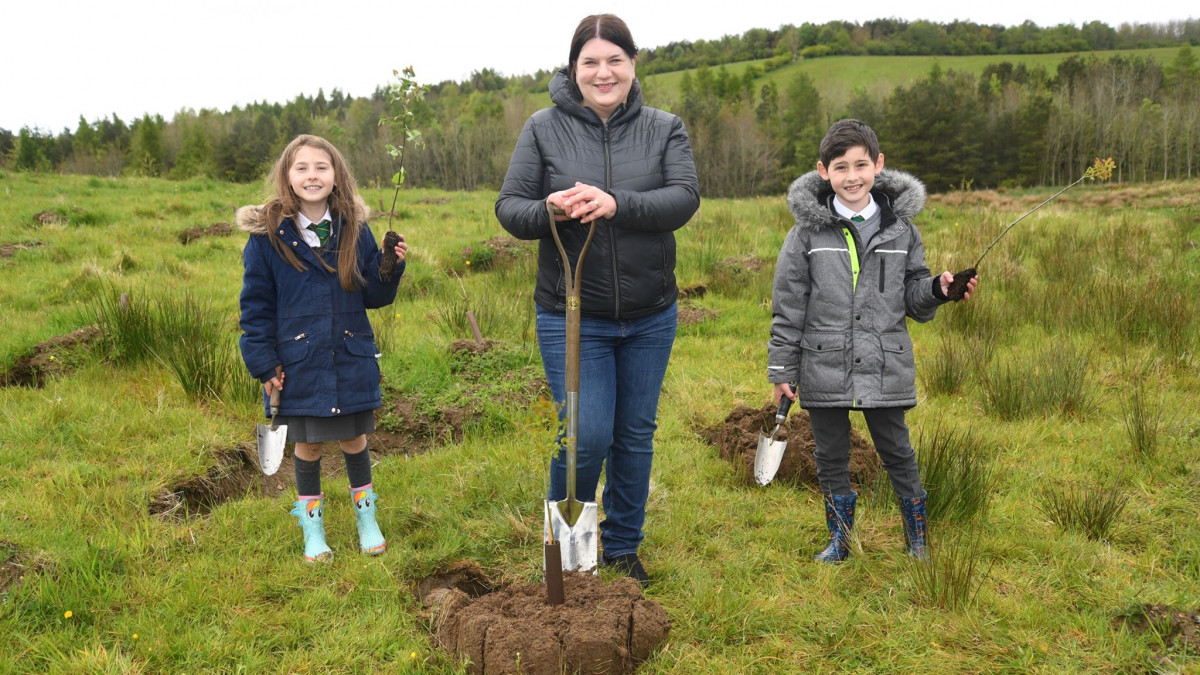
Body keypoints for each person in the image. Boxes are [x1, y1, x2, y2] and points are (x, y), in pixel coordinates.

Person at [495, 14, 700, 586]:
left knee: (634, 434)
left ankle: (622, 548)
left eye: (615, 60)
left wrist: (616, 203)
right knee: (584, 437)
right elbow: (510, 209)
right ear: (574, 68)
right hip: (570, 314)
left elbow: (683, 199)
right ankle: (570, 548)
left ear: (634, 65)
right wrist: (550, 210)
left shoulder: (665, 128)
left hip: (650, 312)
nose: (603, 72)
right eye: (591, 61)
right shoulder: (542, 128)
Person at [767, 119, 977, 563]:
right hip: (823, 363)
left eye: (861, 165)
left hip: (884, 363)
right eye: (841, 167)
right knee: (830, 455)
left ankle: (916, 541)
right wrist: (782, 370)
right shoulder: (805, 235)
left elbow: (915, 298)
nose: (852, 177)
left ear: (878, 166)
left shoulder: (903, 232)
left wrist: (939, 290)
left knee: (897, 450)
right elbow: (788, 308)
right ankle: (840, 541)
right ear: (823, 171)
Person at [238, 134, 408, 562]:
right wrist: (264, 364)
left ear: (337, 176)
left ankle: (366, 520)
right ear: (287, 176)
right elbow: (255, 307)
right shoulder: (266, 238)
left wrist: (390, 266)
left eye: (321, 167)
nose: (312, 175)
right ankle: (312, 531)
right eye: (302, 168)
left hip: (348, 355)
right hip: (298, 362)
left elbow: (372, 294)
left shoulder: (356, 228)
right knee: (308, 446)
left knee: (355, 438)